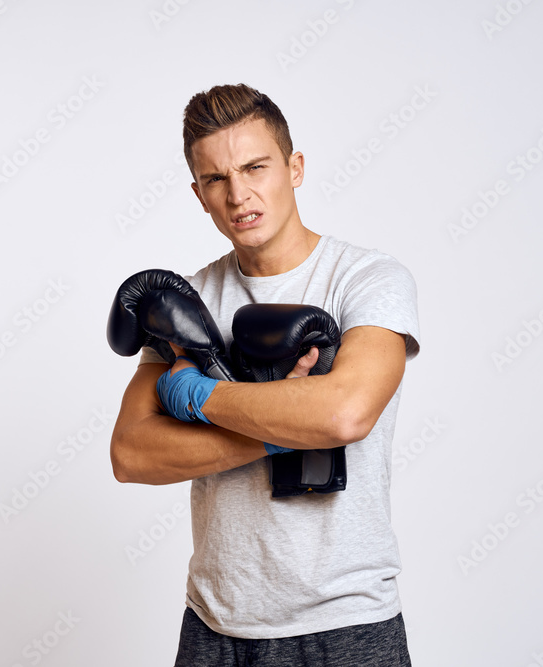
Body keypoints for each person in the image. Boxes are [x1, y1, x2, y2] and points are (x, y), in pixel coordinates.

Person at [109, 84, 421, 666]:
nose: (239, 194)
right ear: (199, 194)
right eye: (216, 179)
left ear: (294, 167)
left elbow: (345, 412)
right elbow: (131, 454)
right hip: (217, 622)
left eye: (256, 167)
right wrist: (285, 421)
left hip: (346, 620)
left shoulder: (367, 279)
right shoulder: (188, 301)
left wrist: (201, 396)